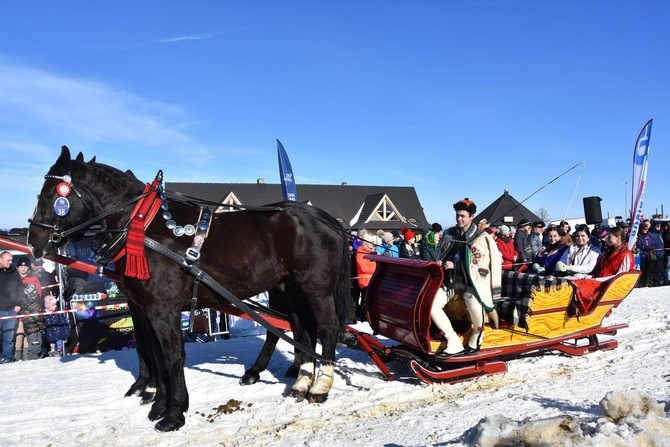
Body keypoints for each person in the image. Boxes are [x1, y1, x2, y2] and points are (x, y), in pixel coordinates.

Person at [431, 198, 502, 357]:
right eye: (457, 215)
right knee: (433, 304)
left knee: (473, 304)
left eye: (462, 216)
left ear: (471, 216)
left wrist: (455, 265)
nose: (459, 219)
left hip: (473, 282)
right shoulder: (449, 233)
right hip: (451, 281)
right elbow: (443, 253)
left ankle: (478, 334)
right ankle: (453, 341)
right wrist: (440, 262)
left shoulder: (482, 237)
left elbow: (482, 264)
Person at [14, 256, 45, 361]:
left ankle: (28, 357)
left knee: (31, 334)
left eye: (25, 266)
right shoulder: (13, 278)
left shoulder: (33, 278)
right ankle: (16, 357)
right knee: (19, 334)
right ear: (17, 267)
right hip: (17, 311)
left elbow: (39, 293)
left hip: (31, 310)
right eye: (21, 266)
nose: (23, 269)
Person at [0, 251, 22, 364]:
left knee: (9, 337)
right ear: (0, 259)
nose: (10, 262)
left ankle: (7, 358)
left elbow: (20, 290)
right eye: (8, 260)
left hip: (11, 309)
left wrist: (18, 304)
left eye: (11, 260)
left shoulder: (14, 273)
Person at [355, 233, 377, 321]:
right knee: (365, 299)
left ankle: (368, 316)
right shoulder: (360, 252)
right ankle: (364, 317)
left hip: (371, 278)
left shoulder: (370, 252)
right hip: (365, 279)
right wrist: (375, 268)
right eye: (371, 242)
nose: (372, 243)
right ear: (365, 243)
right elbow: (363, 268)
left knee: (369, 299)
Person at [635, 219, 659, 287]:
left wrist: (652, 247)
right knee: (643, 270)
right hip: (643, 256)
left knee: (650, 270)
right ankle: (642, 282)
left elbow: (655, 244)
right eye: (644, 229)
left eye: (646, 229)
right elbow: (639, 245)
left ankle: (648, 281)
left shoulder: (649, 236)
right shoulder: (639, 236)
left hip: (649, 255)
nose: (646, 230)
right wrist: (646, 247)